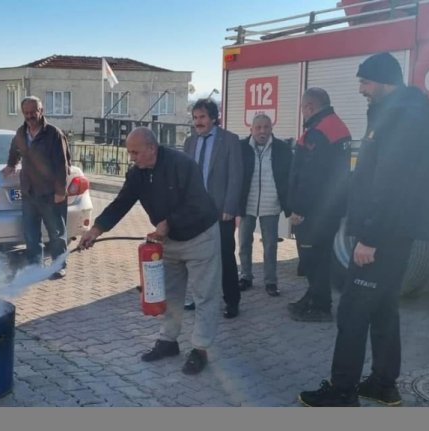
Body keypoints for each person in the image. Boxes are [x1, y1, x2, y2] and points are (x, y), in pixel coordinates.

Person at [299, 52, 429, 407]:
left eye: (365, 82)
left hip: (384, 235)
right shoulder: (399, 113)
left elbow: (390, 184)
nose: (360, 89)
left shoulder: (401, 119)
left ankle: (343, 389)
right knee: (383, 308)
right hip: (395, 232)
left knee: (352, 311)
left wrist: (370, 238)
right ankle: (382, 383)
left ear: (383, 80)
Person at [78, 127, 221, 375]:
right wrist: (97, 230)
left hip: (201, 236)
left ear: (152, 148)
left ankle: (200, 349)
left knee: (204, 295)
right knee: (171, 294)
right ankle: (168, 341)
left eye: (135, 152)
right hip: (169, 241)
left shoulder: (182, 165)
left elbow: (198, 202)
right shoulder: (137, 174)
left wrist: (169, 222)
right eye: (129, 152)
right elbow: (121, 202)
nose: (131, 158)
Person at [288, 88, 352, 322]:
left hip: (315, 211)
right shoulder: (338, 126)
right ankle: (313, 297)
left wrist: (298, 210)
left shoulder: (318, 132)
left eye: (303, 109)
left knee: (312, 259)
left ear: (310, 107)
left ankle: (321, 307)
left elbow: (309, 176)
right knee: (321, 256)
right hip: (331, 208)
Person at [183, 99, 243, 318]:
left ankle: (232, 301)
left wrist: (230, 206)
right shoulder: (190, 142)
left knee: (225, 257)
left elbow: (236, 177)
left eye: (203, 117)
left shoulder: (230, 140)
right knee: (197, 259)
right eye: (196, 117)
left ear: (214, 118)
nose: (198, 122)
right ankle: (200, 299)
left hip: (221, 211)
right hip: (195, 212)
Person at [2, 96, 70, 279]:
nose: (30, 116)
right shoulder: (21, 133)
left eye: (34, 112)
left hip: (50, 193)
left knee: (56, 233)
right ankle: (35, 266)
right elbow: (14, 150)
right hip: (29, 192)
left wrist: (60, 192)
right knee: (31, 234)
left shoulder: (54, 134)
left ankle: (59, 266)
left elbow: (63, 165)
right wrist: (11, 165)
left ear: (41, 111)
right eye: (27, 113)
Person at [237, 114, 292, 297]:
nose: (262, 131)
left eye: (266, 127)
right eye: (258, 127)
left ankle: (270, 281)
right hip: (247, 204)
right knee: (244, 243)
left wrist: (289, 204)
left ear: (271, 128)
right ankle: (245, 276)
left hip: (271, 205)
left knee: (270, 245)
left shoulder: (282, 149)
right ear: (251, 129)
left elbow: (289, 177)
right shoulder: (241, 148)